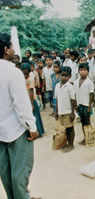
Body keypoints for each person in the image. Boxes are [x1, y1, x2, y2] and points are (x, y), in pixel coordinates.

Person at [0, 32, 39, 199]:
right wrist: (32, 127)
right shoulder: (12, 72)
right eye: (12, 45)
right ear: (6, 49)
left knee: (6, 175)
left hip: (1, 133)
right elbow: (21, 105)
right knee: (19, 176)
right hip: (17, 130)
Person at [54, 66, 76, 152]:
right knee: (65, 129)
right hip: (61, 111)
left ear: (69, 76)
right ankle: (67, 142)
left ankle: (71, 144)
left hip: (68, 111)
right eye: (62, 75)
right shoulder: (57, 86)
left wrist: (72, 113)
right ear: (59, 75)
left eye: (66, 76)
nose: (64, 77)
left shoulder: (69, 86)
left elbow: (73, 100)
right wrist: (56, 112)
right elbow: (57, 99)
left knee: (70, 128)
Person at [21, 63, 45, 137]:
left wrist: (31, 104)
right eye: (24, 73)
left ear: (29, 72)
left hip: (31, 100)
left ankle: (38, 132)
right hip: (24, 100)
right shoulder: (21, 78)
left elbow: (31, 91)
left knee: (34, 116)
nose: (25, 75)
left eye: (26, 73)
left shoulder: (31, 78)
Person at [74, 63, 94, 145]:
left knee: (87, 123)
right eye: (81, 70)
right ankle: (85, 138)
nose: (83, 72)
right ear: (78, 71)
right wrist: (75, 105)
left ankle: (89, 138)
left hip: (86, 105)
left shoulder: (89, 82)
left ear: (88, 72)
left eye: (85, 70)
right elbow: (75, 94)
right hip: (80, 105)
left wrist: (90, 106)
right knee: (82, 122)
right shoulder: (75, 82)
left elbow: (91, 95)